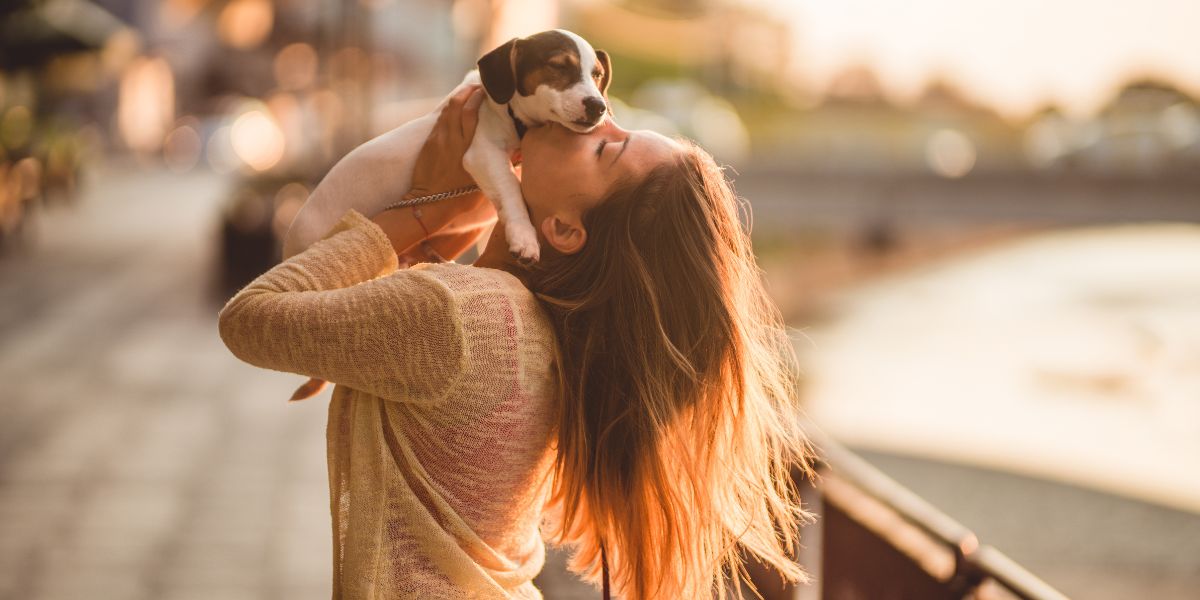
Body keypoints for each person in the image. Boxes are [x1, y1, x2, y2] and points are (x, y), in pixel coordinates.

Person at [218, 84, 816, 599]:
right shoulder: (523, 323)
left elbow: (250, 318)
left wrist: (426, 207)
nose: (597, 115)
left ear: (562, 228)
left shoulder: (463, 316)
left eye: (607, 146)